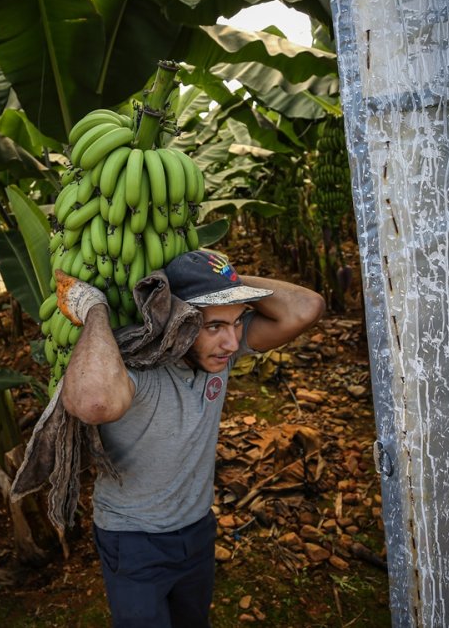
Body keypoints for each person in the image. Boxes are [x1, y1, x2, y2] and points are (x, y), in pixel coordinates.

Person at [56, 249, 325, 627]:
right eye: (214, 326)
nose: (232, 343)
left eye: (236, 323)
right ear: (178, 319)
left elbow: (306, 307)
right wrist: (95, 312)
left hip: (197, 528)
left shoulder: (218, 353)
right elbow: (94, 402)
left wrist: (223, 283)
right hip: (134, 540)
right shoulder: (136, 370)